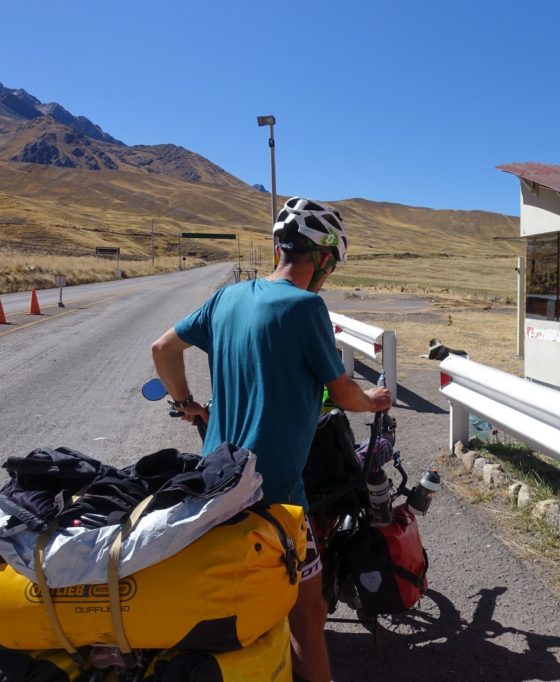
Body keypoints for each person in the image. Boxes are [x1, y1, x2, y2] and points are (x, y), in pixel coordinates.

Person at [151, 197, 391, 682]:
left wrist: (187, 403)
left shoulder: (227, 298)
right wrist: (374, 399)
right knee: (309, 615)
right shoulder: (306, 307)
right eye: (331, 264)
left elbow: (162, 349)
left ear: (278, 247)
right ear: (322, 259)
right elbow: (342, 393)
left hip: (212, 482)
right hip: (275, 497)